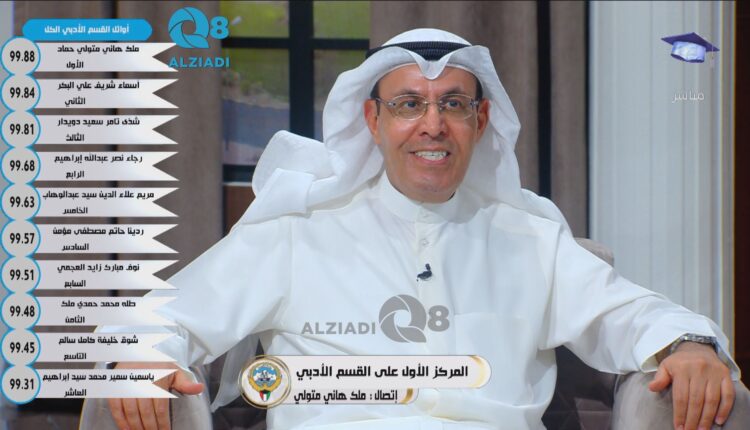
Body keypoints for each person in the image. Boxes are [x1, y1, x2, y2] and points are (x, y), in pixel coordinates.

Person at [100, 29, 741, 430]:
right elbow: (167, 315)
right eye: (409, 104)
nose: (432, 125)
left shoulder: (531, 240)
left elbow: (631, 313)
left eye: (453, 104)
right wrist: (149, 356)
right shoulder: (295, 230)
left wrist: (687, 346)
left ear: (480, 121)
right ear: (373, 121)